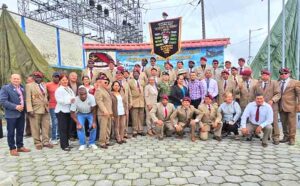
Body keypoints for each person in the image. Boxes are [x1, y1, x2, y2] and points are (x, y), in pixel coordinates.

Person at [0, 74, 31, 156]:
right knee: (11, 132)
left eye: (18, 79)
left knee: (20, 130)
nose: (16, 80)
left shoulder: (22, 87)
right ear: (10, 79)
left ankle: (20, 146)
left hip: (22, 113)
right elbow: (3, 101)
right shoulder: (5, 88)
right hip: (11, 114)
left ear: (20, 80)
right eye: (14, 79)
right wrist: (15, 106)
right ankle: (12, 148)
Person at [26, 71, 53, 150]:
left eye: (40, 77)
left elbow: (46, 96)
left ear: (42, 78)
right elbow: (28, 99)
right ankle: (37, 142)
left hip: (45, 109)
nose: (38, 79)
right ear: (34, 78)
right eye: (36, 77)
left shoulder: (44, 85)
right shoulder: (29, 86)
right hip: (35, 109)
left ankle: (46, 142)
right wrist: (30, 110)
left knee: (46, 126)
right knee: (35, 127)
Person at [253, 70, 281, 145]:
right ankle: (266, 136)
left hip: (272, 106)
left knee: (274, 122)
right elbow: (255, 94)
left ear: (269, 76)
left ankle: (276, 137)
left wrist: (272, 100)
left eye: (266, 75)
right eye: (263, 75)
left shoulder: (274, 83)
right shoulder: (258, 83)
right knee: (263, 121)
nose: (264, 76)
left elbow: (278, 94)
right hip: (261, 106)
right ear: (261, 75)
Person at [278, 68, 300, 145]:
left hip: (291, 106)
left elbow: (299, 94)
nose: (283, 75)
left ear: (289, 74)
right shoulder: (278, 82)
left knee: (291, 123)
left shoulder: (295, 82)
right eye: (281, 74)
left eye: (285, 73)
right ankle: (286, 137)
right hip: (281, 106)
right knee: (284, 123)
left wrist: (299, 105)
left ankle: (292, 139)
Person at [55, 74, 76, 151]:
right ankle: (63, 146)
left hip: (68, 111)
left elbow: (73, 96)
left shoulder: (69, 88)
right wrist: (69, 101)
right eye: (63, 80)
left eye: (66, 80)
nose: (65, 81)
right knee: (63, 129)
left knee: (68, 128)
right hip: (61, 111)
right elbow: (59, 100)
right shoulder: (59, 90)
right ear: (60, 81)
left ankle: (67, 143)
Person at [94, 76, 113, 149]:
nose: (106, 83)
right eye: (105, 82)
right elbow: (99, 102)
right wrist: (104, 110)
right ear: (100, 83)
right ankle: (102, 142)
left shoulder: (105, 90)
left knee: (108, 128)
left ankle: (107, 141)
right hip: (103, 113)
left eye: (107, 82)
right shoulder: (99, 90)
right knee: (103, 128)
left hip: (109, 112)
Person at [115, 70, 132, 138]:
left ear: (123, 76)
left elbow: (129, 94)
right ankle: (118, 134)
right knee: (118, 119)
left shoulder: (126, 83)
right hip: (118, 104)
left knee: (126, 118)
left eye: (121, 75)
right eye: (118, 75)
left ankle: (125, 132)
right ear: (116, 76)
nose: (119, 76)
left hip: (125, 104)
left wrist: (130, 102)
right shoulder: (114, 84)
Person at [128, 70, 146, 137]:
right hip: (134, 101)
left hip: (141, 101)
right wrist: (130, 102)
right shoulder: (130, 82)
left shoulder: (142, 81)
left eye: (137, 73)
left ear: (139, 74)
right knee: (134, 117)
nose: (136, 75)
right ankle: (135, 131)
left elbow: (144, 90)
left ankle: (140, 130)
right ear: (133, 75)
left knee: (141, 117)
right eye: (134, 73)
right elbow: (129, 92)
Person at [46, 72, 60, 145]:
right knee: (54, 122)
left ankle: (59, 136)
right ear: (52, 77)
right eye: (55, 77)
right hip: (52, 105)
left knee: (60, 121)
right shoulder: (48, 85)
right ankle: (53, 138)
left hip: (61, 106)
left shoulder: (61, 84)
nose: (56, 78)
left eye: (57, 77)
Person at [68, 72, 80, 140]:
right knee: (70, 120)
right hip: (68, 104)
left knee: (77, 119)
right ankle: (71, 135)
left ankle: (76, 134)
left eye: (75, 76)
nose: (74, 77)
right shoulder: (67, 84)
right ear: (69, 77)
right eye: (72, 75)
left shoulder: (79, 84)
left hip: (77, 104)